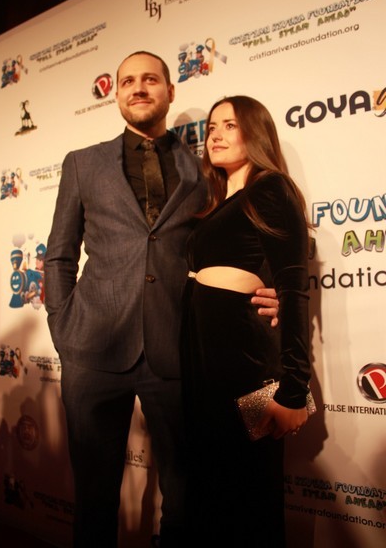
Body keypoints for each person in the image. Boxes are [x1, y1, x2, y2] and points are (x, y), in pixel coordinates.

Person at [44, 52, 279, 548]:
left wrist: (271, 284)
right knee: (94, 497)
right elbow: (60, 254)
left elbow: (234, 234)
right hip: (91, 350)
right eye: (128, 80)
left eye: (150, 79)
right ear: (117, 94)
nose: (138, 87)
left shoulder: (204, 168)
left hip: (175, 352)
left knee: (185, 495)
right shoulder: (82, 163)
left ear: (170, 91)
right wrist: (63, 327)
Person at [182, 95, 312, 547]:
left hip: (247, 365)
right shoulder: (219, 203)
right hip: (204, 366)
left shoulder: (271, 189)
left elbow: (294, 287)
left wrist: (294, 389)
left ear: (255, 134)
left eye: (230, 125)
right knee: (213, 494)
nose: (215, 135)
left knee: (249, 496)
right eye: (212, 127)